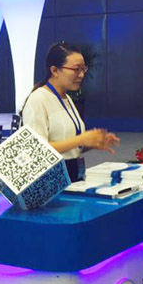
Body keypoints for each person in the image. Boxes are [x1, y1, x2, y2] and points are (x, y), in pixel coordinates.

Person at [21, 42, 119, 181]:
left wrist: (91, 142)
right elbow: (36, 151)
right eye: (76, 69)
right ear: (55, 70)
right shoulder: (38, 99)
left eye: (83, 69)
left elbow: (67, 145)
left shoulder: (66, 98)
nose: (81, 75)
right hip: (52, 180)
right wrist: (82, 139)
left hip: (74, 175)